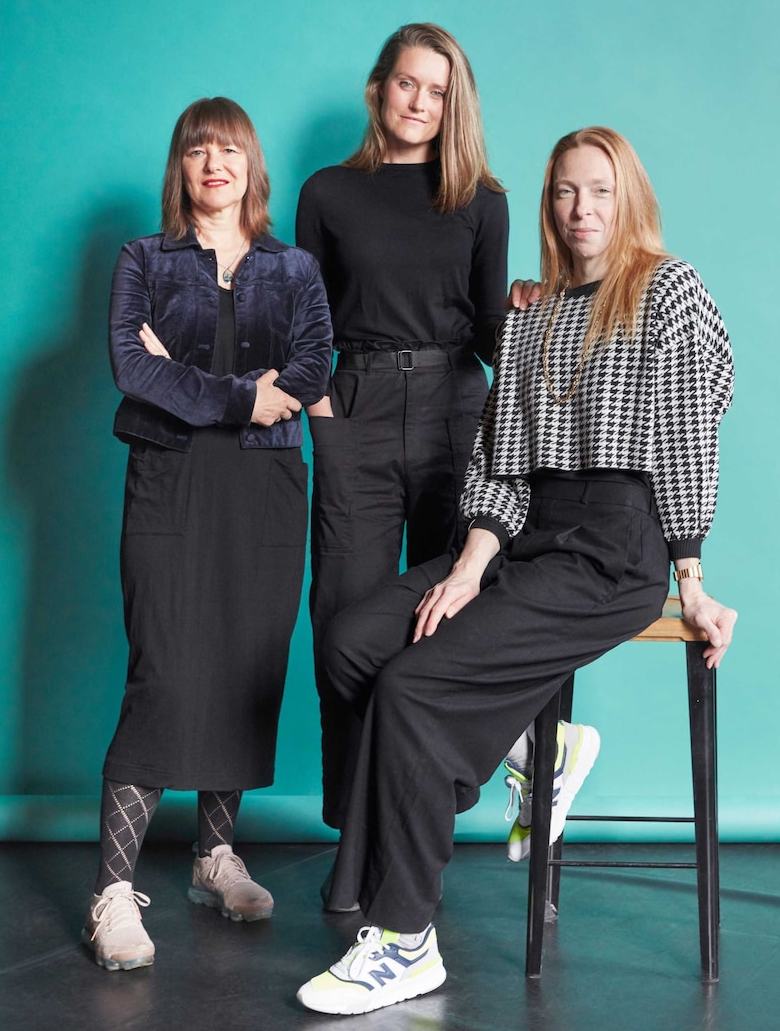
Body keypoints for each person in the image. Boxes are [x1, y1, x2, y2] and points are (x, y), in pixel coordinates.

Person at [296, 126, 737, 1015]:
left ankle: (407, 938)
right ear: (549, 204)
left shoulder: (667, 290)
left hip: (614, 549)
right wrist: (466, 565)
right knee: (354, 640)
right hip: (523, 535)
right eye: (567, 192)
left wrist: (689, 573)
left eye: (601, 191)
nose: (583, 209)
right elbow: (499, 456)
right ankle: (536, 747)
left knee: (417, 689)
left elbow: (693, 428)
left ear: (630, 198)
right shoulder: (530, 315)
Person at [295, 24, 592, 892]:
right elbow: (309, 319)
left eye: (438, 90)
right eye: (407, 86)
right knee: (344, 622)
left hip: (458, 410)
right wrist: (322, 408)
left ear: (453, 102)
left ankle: (418, 822)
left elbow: (495, 333)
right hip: (356, 407)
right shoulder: (327, 193)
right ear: (377, 89)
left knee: (450, 608)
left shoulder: (481, 199)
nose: (421, 104)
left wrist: (537, 309)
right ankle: (355, 845)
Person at [82, 97, 332, 971]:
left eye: (229, 149)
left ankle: (212, 856)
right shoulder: (141, 259)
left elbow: (314, 362)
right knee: (166, 662)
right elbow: (129, 364)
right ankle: (113, 892)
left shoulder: (294, 266)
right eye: (197, 150)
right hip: (170, 477)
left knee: (243, 658)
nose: (214, 163)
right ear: (180, 167)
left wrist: (187, 374)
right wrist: (237, 394)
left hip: (265, 483)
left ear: (252, 166)